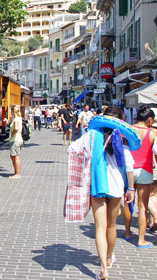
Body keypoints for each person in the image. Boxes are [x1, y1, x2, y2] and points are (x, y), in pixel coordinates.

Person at [69, 106, 136, 280]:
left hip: (97, 185)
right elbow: (129, 167)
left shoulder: (92, 136)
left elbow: (72, 148)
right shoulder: (122, 139)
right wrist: (131, 189)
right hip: (116, 187)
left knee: (100, 227)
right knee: (111, 226)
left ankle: (103, 270)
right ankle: (109, 256)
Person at [122, 104, 157, 248]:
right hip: (145, 171)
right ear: (149, 120)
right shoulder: (153, 133)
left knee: (127, 201)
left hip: (128, 170)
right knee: (142, 206)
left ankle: (128, 232)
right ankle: (141, 240)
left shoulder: (127, 130)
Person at [9, 105, 23, 179]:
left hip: (15, 140)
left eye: (11, 111)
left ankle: (17, 174)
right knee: (13, 156)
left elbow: (16, 128)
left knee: (16, 157)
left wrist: (11, 134)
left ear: (13, 111)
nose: (10, 112)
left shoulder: (16, 119)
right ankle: (16, 172)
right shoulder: (19, 118)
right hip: (18, 139)